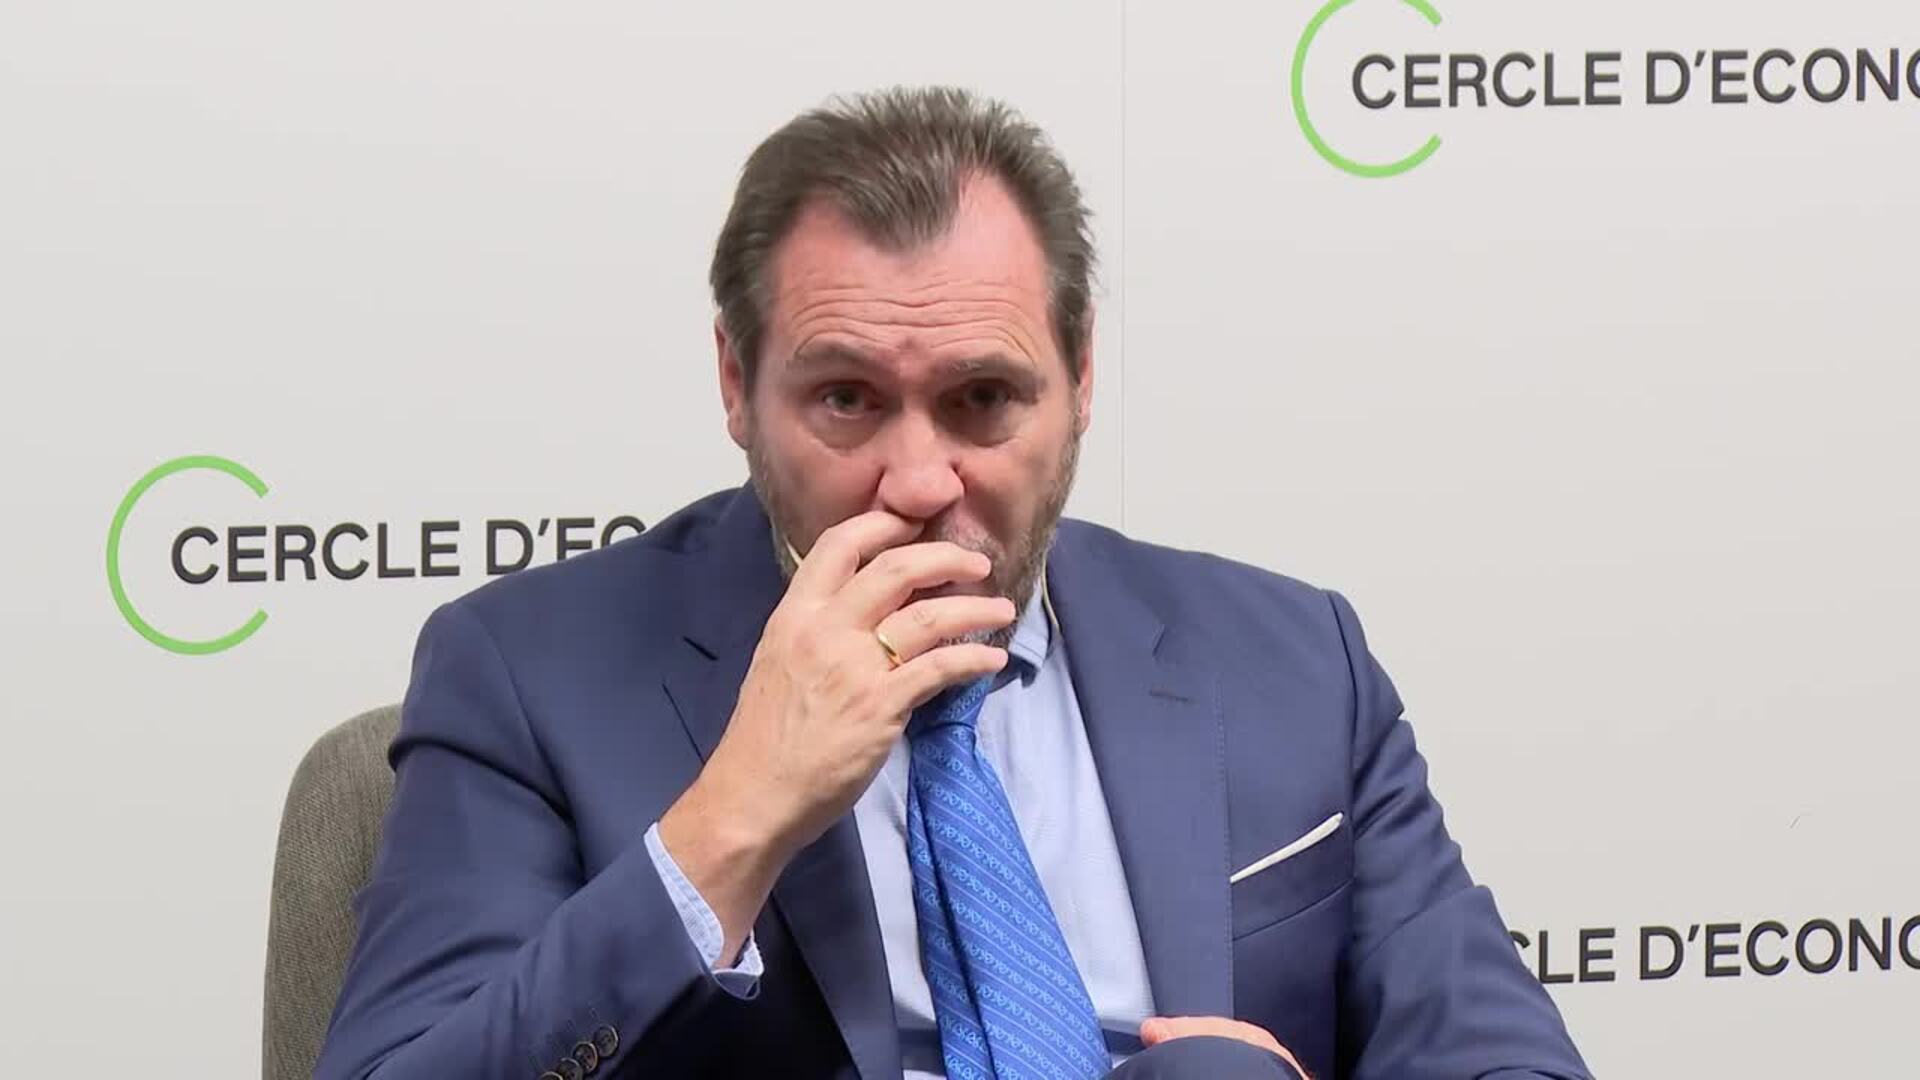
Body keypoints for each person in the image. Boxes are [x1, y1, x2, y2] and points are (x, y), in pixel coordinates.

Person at [316, 86, 1591, 1080]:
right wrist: (732, 822)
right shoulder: (528, 676)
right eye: (846, 399)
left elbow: (1504, 1055)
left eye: (983, 397)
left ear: (1080, 377)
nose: (920, 480)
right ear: (736, 386)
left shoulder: (1296, 662)